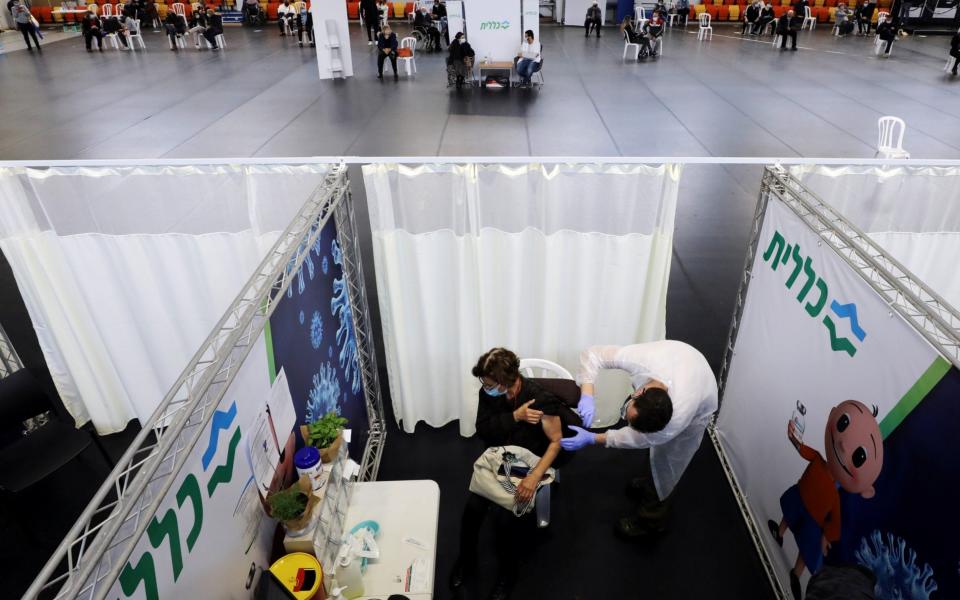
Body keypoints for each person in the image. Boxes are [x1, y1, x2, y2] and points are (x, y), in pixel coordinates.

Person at [450, 348, 580, 600]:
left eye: (489, 383)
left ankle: (508, 573)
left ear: (506, 381)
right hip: (502, 454)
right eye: (484, 383)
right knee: (473, 509)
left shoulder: (541, 399)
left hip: (532, 458)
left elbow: (555, 443)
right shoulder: (489, 394)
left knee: (504, 520)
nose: (485, 387)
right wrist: (514, 416)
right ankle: (466, 559)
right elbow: (483, 430)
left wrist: (533, 478)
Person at [561, 342, 718, 539]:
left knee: (668, 465)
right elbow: (592, 355)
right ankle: (647, 481)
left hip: (700, 393)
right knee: (655, 456)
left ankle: (651, 520)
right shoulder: (643, 361)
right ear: (640, 392)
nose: (626, 421)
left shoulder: (678, 419)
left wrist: (594, 438)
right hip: (681, 356)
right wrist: (587, 394)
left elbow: (637, 439)